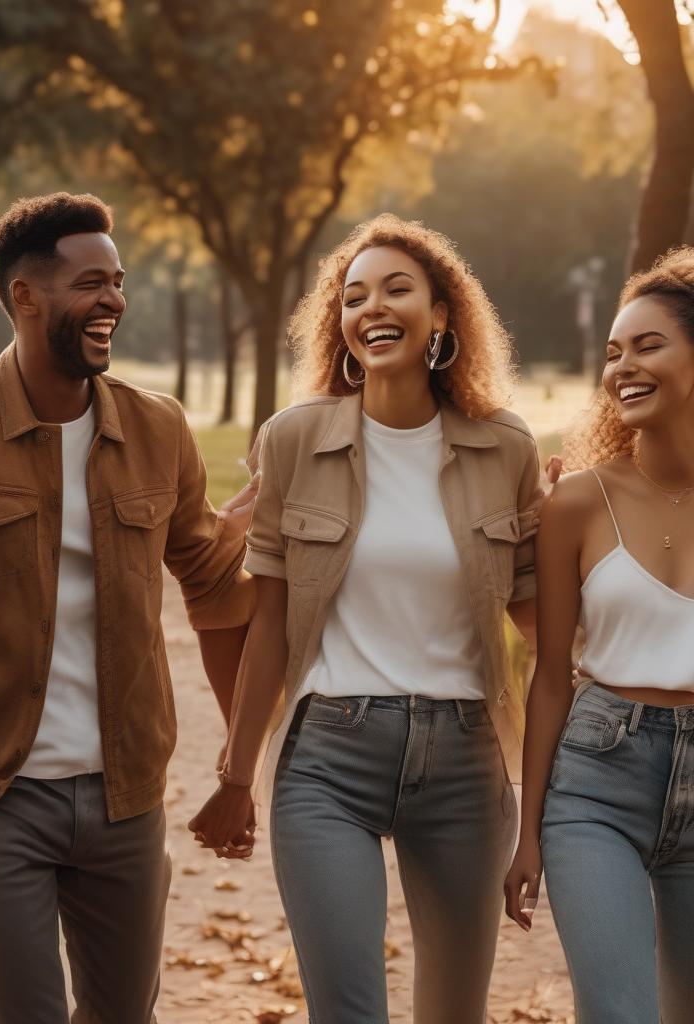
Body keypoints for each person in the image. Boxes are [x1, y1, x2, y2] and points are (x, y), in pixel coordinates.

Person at [0, 192, 257, 1023]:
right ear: (25, 296)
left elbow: (213, 580)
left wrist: (238, 764)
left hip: (127, 795)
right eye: (90, 283)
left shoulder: (158, 428)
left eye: (118, 281)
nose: (113, 299)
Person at [190, 214, 553, 1024]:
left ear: (442, 313)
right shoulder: (294, 440)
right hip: (329, 758)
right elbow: (270, 627)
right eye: (354, 297)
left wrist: (571, 541)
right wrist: (236, 776)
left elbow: (539, 628)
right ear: (341, 323)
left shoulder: (504, 447)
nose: (372, 308)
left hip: (465, 764)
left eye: (396, 289)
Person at [505, 248, 694, 1024]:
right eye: (614, 353)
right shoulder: (578, 503)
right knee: (619, 1012)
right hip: (597, 781)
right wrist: (528, 834)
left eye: (648, 346)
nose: (623, 367)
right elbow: (551, 676)